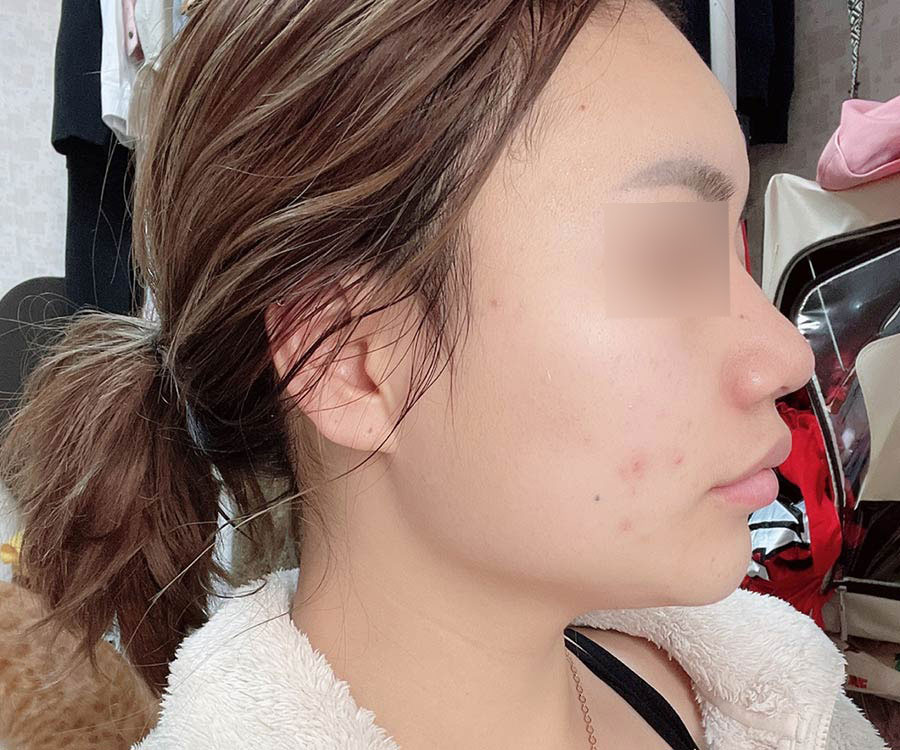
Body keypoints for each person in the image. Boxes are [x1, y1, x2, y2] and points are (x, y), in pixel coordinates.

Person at [0, 0, 888, 748]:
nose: (786, 352)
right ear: (349, 360)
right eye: (668, 257)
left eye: (732, 248)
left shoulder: (763, 701)